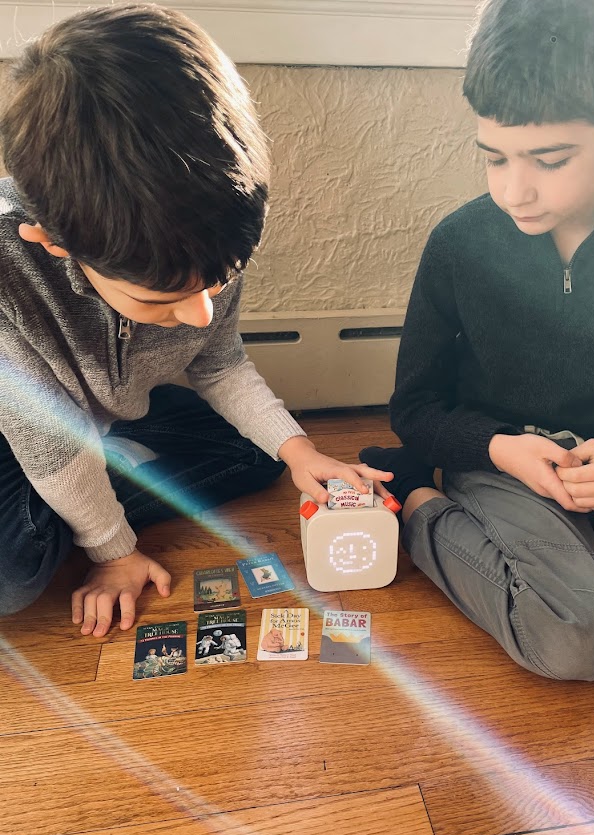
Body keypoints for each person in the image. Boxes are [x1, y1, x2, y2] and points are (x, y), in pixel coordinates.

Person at [0, 4, 391, 637]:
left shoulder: (201, 224)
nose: (200, 313)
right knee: (12, 579)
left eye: (220, 281)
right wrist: (114, 551)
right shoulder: (8, 272)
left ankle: (94, 489)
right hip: (23, 431)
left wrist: (301, 450)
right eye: (162, 301)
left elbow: (219, 361)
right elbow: (49, 442)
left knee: (263, 452)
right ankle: (88, 505)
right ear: (54, 242)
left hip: (106, 410)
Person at [362, 0, 594, 683]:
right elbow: (414, 407)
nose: (515, 190)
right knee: (574, 642)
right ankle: (417, 500)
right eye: (493, 158)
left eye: (550, 159)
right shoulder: (459, 244)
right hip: (502, 460)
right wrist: (497, 447)